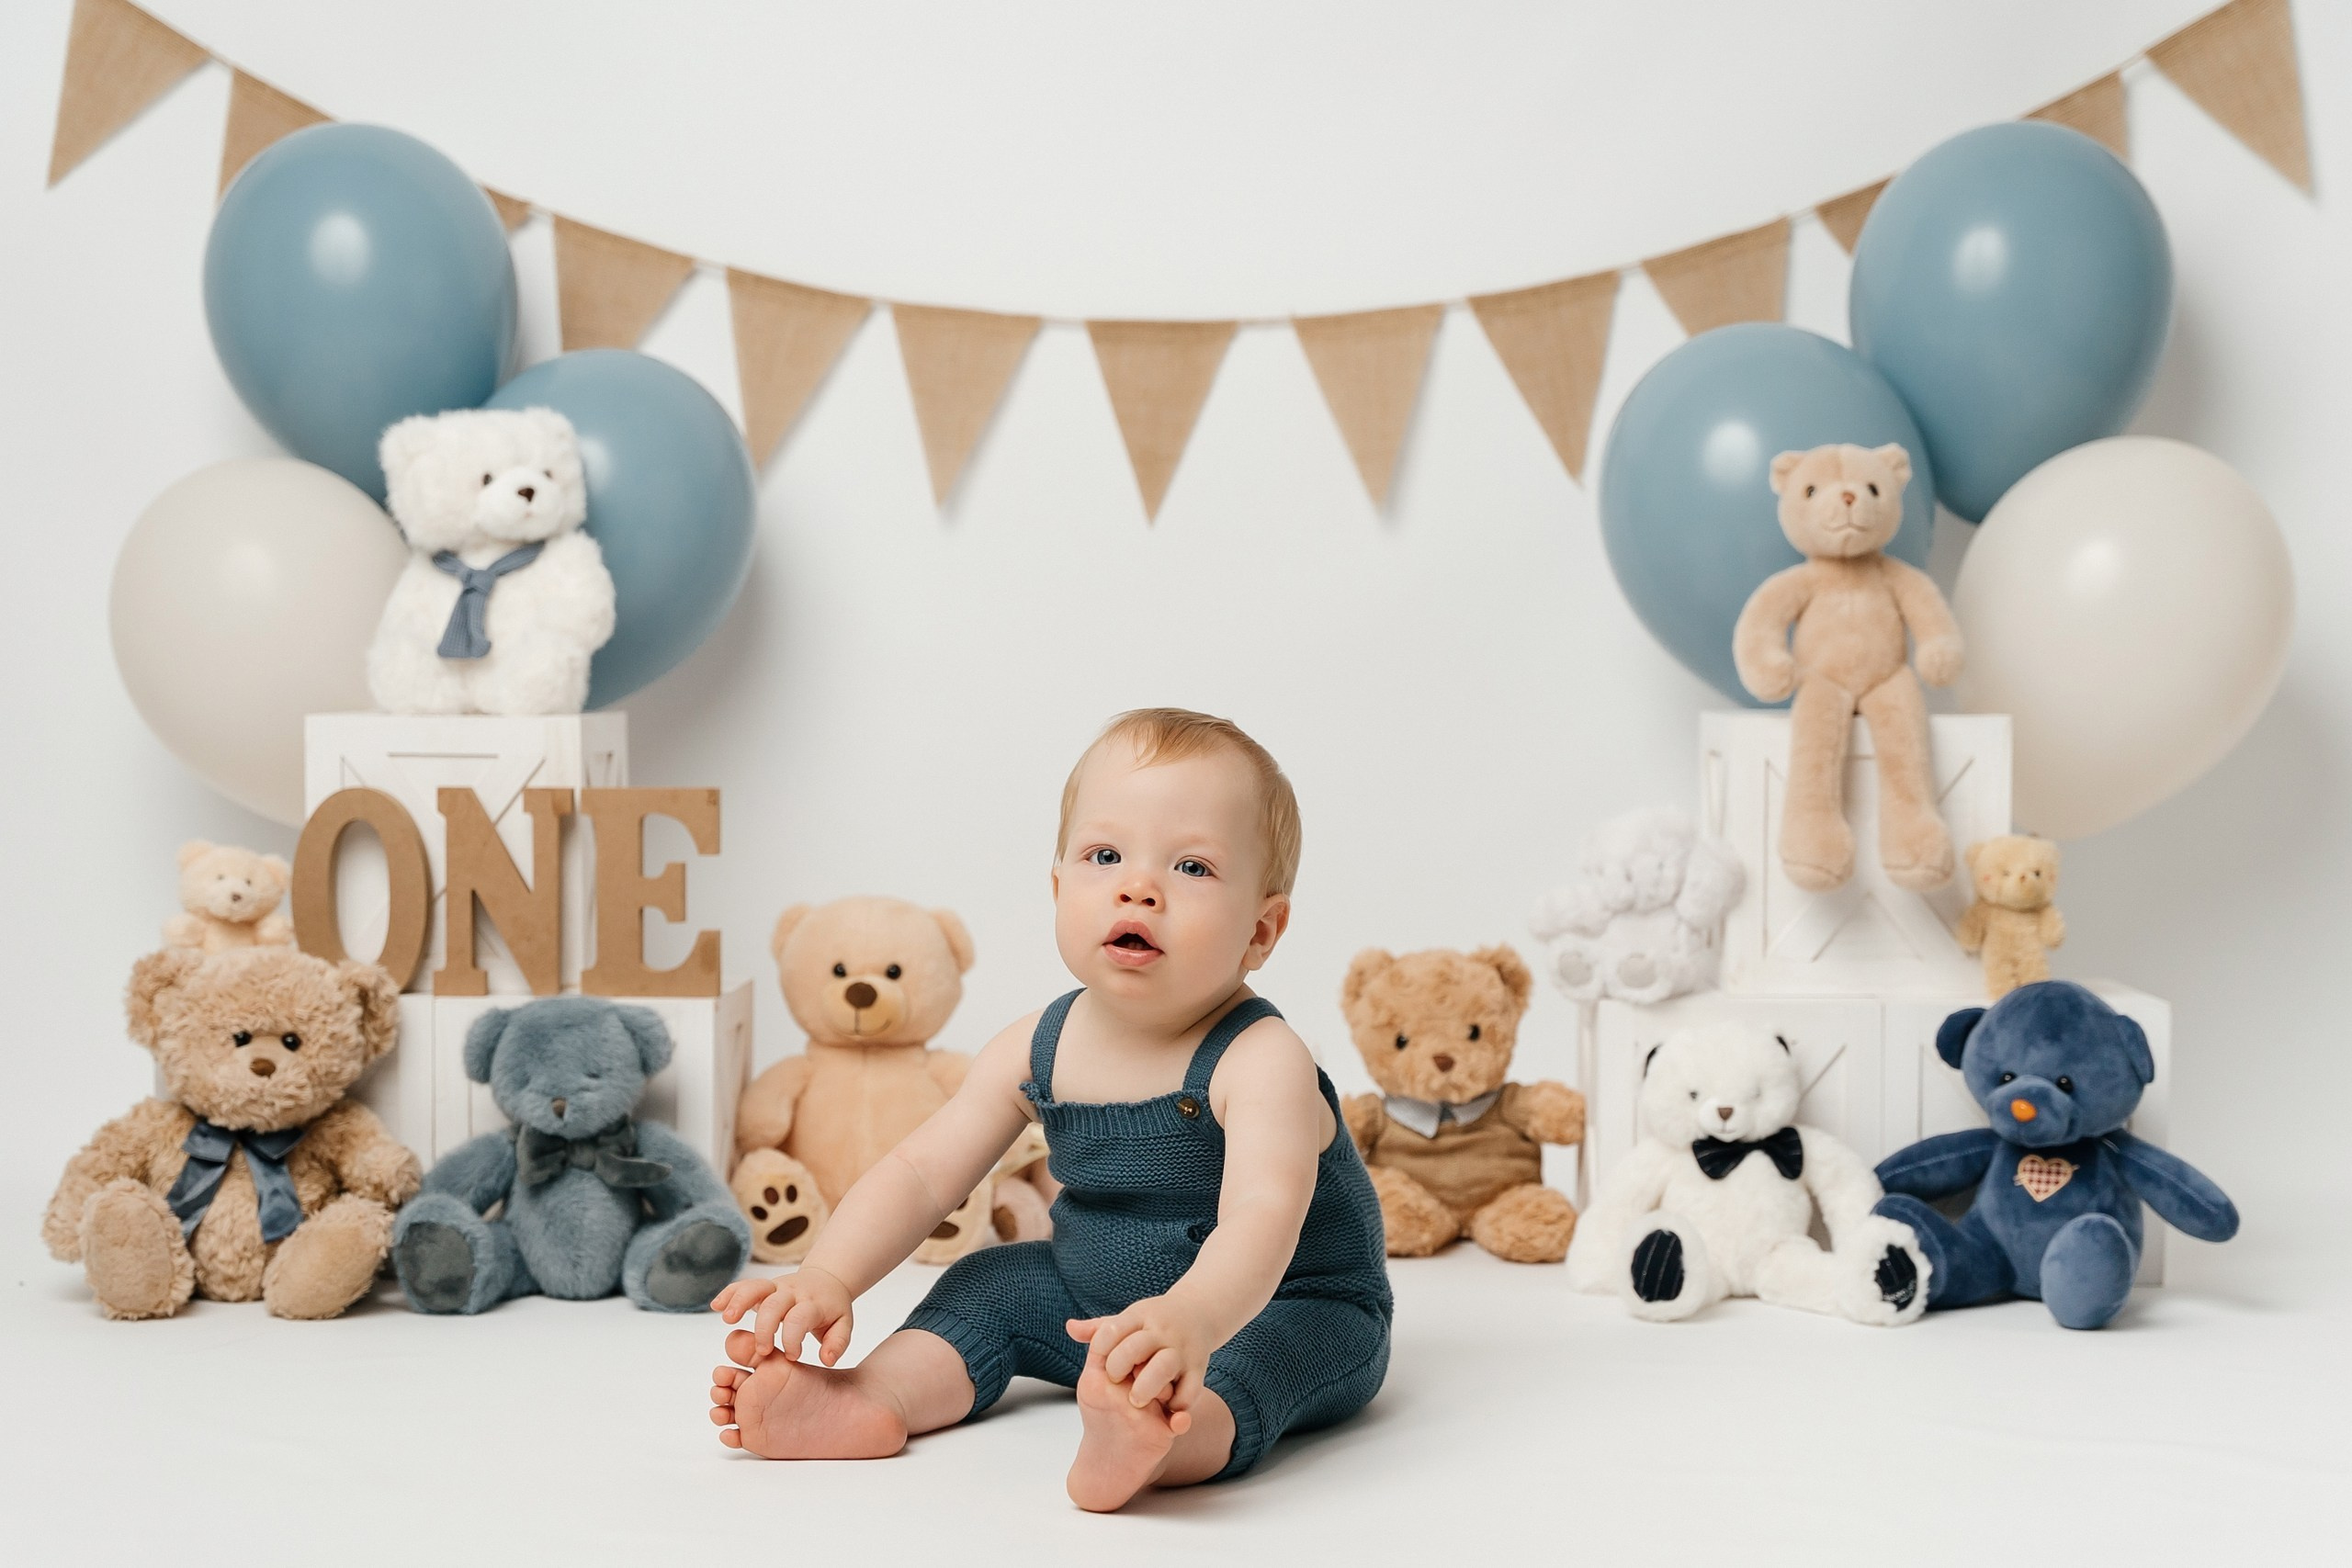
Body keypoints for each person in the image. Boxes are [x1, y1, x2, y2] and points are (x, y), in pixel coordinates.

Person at [707, 708, 1391, 1509]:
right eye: (1106, 855)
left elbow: (1261, 1215)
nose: (1138, 886)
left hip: (1272, 1304)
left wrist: (1191, 1320)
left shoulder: (1261, 1057)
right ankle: (873, 1396)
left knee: (1263, 1363)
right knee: (988, 1282)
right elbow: (922, 1172)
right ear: (1060, 887)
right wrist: (828, 1274)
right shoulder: (1039, 1045)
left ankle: (1162, 1439)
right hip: (1088, 1296)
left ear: (1261, 930)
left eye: (1192, 866)